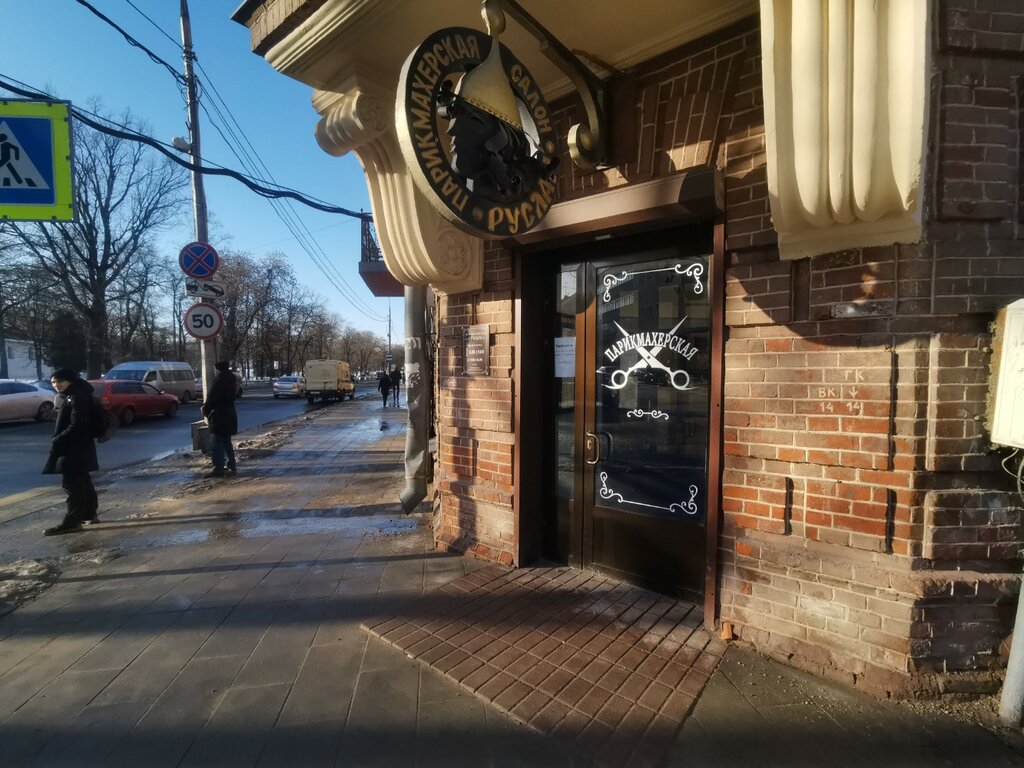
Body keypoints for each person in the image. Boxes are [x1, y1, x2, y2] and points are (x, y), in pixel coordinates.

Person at [41, 368, 99, 535]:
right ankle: (89, 514)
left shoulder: (76, 397)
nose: (56, 385)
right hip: (80, 447)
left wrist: (58, 439)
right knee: (84, 483)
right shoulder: (75, 394)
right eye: (53, 382)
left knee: (71, 486)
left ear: (70, 381)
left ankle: (72, 522)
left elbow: (79, 424)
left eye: (60, 381)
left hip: (73, 448)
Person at [201, 361, 238, 477]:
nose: (214, 371)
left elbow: (212, 398)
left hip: (219, 416)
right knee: (226, 441)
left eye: (214, 369)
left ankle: (218, 467)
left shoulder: (219, 381)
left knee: (216, 443)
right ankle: (231, 464)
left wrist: (205, 410)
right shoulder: (232, 380)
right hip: (230, 414)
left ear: (218, 369)